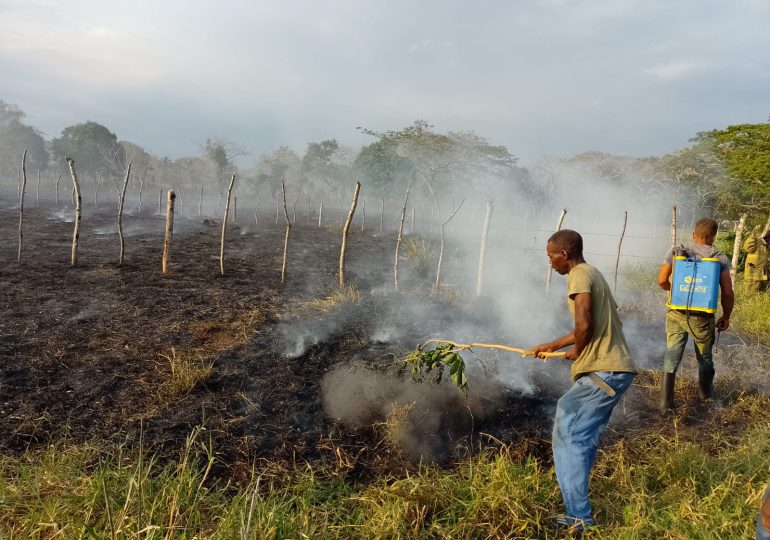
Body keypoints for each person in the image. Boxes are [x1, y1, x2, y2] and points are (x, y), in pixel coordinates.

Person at [531, 229, 636, 532]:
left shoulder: (578, 274)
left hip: (604, 371)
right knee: (581, 438)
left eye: (551, 255)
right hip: (612, 370)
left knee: (568, 433)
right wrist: (566, 348)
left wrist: (566, 346)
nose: (550, 261)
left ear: (564, 254)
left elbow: (585, 322)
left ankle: (579, 518)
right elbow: (596, 325)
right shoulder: (594, 273)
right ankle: (577, 511)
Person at [656, 218, 734, 409]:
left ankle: (666, 402)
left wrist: (676, 292)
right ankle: (704, 396)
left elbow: (661, 280)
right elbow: (728, 292)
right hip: (702, 316)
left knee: (672, 353)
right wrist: (726, 317)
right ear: (713, 237)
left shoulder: (677, 250)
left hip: (676, 311)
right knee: (704, 356)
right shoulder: (719, 256)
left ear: (693, 234)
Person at [743, 224, 770, 293]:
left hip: (765, 277)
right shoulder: (757, 241)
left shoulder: (767, 247)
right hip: (752, 277)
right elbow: (747, 248)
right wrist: (752, 237)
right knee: (751, 296)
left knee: (762, 296)